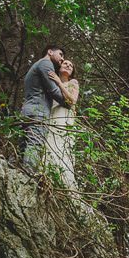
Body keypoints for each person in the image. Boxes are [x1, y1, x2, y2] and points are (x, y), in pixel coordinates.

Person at [20, 45, 67, 171]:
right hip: (38, 112)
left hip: (27, 111)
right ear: (50, 52)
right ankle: (26, 179)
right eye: (61, 55)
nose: (62, 59)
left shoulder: (36, 66)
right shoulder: (46, 64)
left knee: (23, 148)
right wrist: (67, 101)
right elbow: (54, 91)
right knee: (34, 145)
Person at [44, 59, 80, 189]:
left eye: (71, 65)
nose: (68, 66)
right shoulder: (51, 82)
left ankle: (64, 181)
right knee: (49, 143)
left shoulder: (73, 82)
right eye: (65, 63)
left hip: (64, 115)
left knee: (62, 144)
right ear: (59, 67)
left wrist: (59, 82)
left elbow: (73, 100)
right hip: (51, 115)